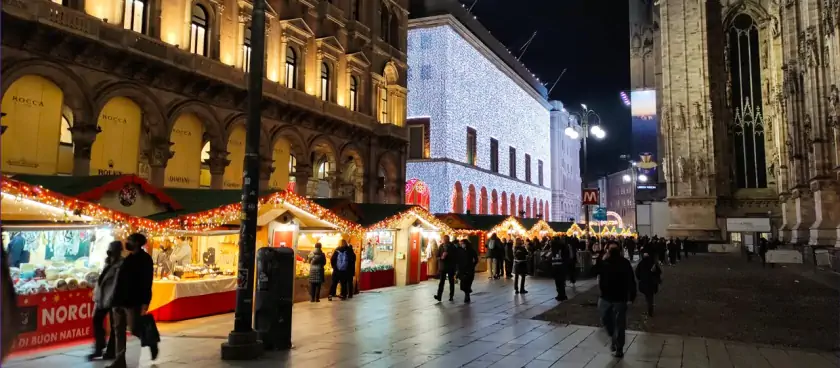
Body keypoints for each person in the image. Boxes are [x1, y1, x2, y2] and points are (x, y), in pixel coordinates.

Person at [108, 233, 156, 368]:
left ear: (136, 243)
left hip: (133, 301)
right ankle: (119, 360)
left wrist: (145, 302)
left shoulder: (145, 259)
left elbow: (147, 281)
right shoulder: (127, 258)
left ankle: (150, 340)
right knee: (119, 331)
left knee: (134, 328)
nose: (126, 242)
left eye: (129, 240)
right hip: (119, 300)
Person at [592, 241, 636, 358]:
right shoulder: (605, 263)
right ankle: (615, 340)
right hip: (611, 297)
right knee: (612, 321)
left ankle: (618, 346)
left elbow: (631, 280)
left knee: (616, 323)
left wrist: (631, 296)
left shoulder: (622, 263)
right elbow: (594, 271)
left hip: (615, 298)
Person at [89, 241, 122, 361]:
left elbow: (116, 284)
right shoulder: (108, 263)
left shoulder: (120, 265)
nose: (109, 251)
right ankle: (99, 346)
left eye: (111, 249)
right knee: (97, 320)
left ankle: (110, 351)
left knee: (114, 327)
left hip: (113, 299)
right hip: (103, 298)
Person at [634, 249, 661, 317]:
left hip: (644, 282)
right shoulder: (653, 263)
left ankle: (649, 305)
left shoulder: (641, 263)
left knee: (647, 295)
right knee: (650, 295)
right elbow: (659, 272)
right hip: (652, 282)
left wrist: (640, 278)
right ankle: (650, 305)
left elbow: (637, 272)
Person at [434, 235, 459, 302]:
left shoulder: (452, 247)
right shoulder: (441, 246)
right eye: (444, 239)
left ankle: (451, 296)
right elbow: (437, 256)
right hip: (443, 267)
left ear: (448, 239)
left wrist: (448, 256)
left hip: (450, 267)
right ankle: (439, 296)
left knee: (451, 282)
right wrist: (441, 258)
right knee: (441, 282)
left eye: (446, 239)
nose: (445, 241)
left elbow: (456, 257)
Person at [457, 238, 479, 303]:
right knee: (463, 285)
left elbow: (476, 259)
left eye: (463, 243)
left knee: (468, 282)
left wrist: (473, 265)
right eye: (461, 244)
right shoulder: (460, 251)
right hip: (462, 269)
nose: (462, 245)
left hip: (469, 269)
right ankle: (467, 292)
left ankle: (467, 295)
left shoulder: (471, 251)